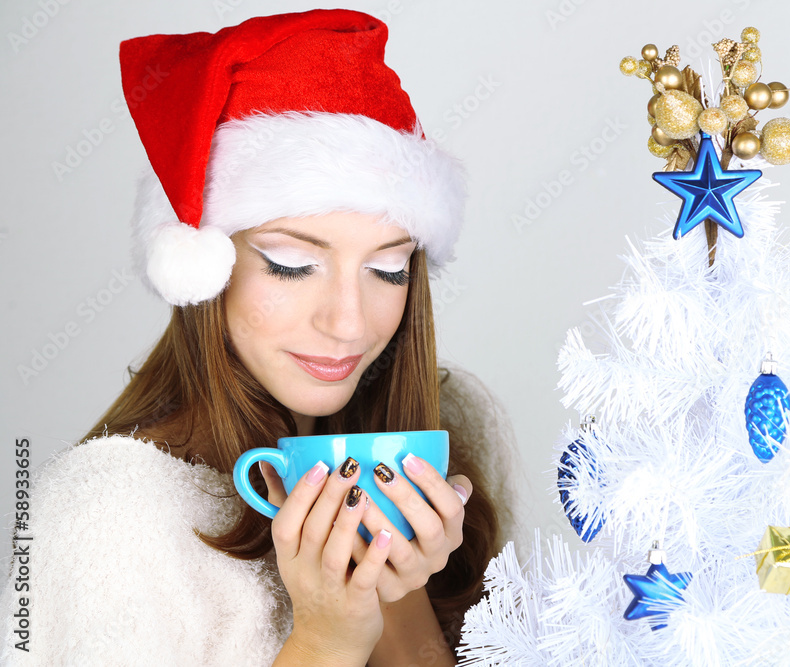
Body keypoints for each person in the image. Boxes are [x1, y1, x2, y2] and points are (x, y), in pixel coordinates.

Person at [0, 8, 514, 666]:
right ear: (208, 268)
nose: (350, 323)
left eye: (388, 269)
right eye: (292, 265)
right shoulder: (105, 512)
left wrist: (390, 580)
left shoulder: (447, 430)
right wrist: (325, 640)